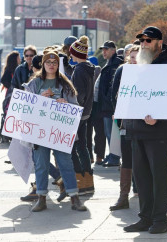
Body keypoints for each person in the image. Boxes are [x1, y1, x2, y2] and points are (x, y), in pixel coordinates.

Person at [123, 26, 167, 234]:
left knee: (159, 178)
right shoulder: (140, 65)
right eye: (142, 41)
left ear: (159, 43)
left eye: (148, 40)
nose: (144, 44)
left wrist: (159, 118)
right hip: (137, 130)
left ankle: (160, 220)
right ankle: (145, 218)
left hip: (158, 132)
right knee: (142, 178)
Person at [23, 48, 86, 212]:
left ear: (58, 65)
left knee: (66, 163)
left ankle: (74, 198)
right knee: (41, 165)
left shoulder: (65, 84)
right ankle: (41, 198)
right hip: (40, 131)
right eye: (48, 62)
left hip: (59, 131)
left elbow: (76, 108)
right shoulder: (34, 84)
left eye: (54, 62)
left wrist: (66, 104)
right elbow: (25, 107)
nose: (51, 65)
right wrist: (39, 100)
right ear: (43, 65)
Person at [109, 45, 139, 211]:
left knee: (141, 158)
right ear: (128, 57)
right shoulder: (122, 70)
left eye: (138, 57)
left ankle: (141, 190)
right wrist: (117, 113)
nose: (135, 60)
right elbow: (114, 94)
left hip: (143, 123)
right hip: (126, 121)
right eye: (132, 57)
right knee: (126, 158)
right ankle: (123, 196)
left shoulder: (147, 72)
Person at [69, 36, 95, 194]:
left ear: (76, 54)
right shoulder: (89, 68)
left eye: (72, 53)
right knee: (83, 146)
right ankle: (88, 180)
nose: (70, 56)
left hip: (77, 114)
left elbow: (79, 95)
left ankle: (81, 180)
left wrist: (72, 107)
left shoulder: (79, 70)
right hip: (86, 113)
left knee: (72, 148)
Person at [97, 41, 123, 167]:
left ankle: (115, 157)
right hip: (106, 105)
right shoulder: (109, 64)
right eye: (103, 49)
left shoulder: (116, 64)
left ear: (113, 50)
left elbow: (112, 87)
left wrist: (108, 100)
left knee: (112, 133)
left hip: (110, 106)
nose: (104, 52)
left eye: (106, 49)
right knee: (109, 133)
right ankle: (112, 155)